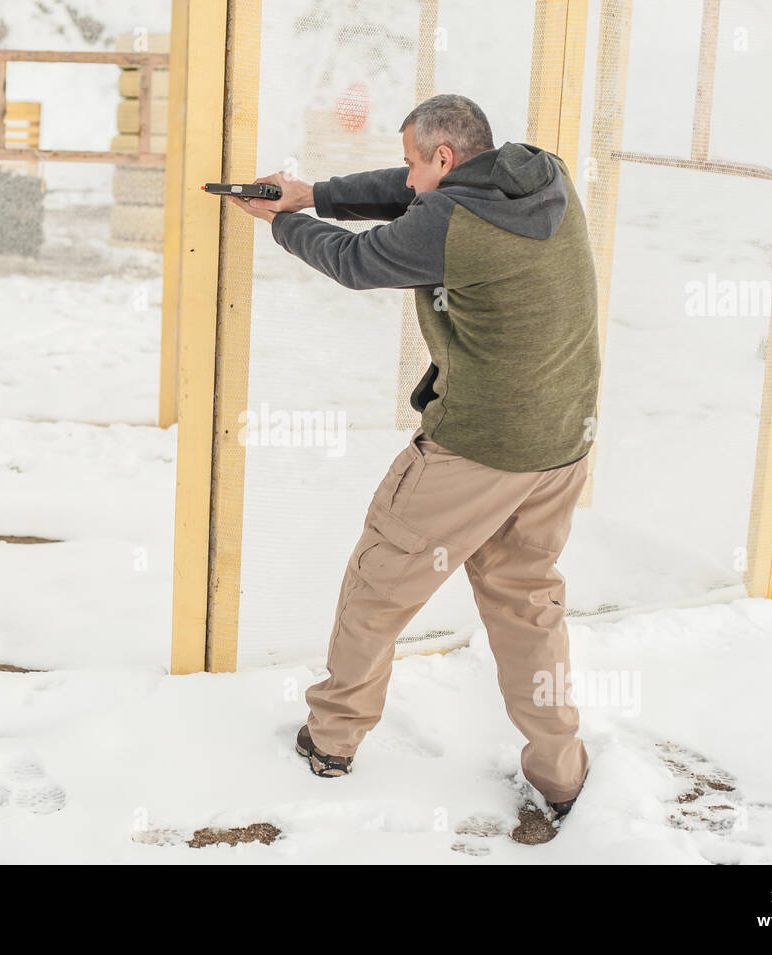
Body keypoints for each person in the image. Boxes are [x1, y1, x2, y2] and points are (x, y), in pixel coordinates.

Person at [226, 93, 599, 820]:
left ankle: (331, 738)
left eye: (412, 163)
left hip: (479, 447)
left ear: (445, 158)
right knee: (529, 606)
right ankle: (560, 769)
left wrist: (286, 220)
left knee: (379, 587)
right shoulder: (543, 176)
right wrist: (316, 193)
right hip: (561, 442)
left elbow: (359, 261)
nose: (406, 179)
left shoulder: (453, 223)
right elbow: (413, 198)